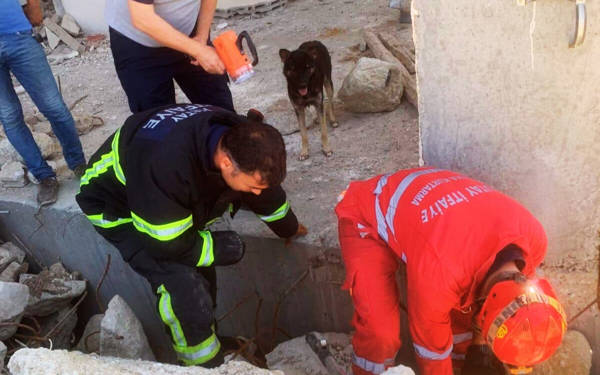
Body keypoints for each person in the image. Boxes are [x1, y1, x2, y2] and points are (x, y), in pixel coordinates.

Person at [76, 104, 307, 366]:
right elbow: (167, 244)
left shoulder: (239, 138)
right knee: (182, 284)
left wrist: (288, 227)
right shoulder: (166, 166)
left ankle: (210, 338)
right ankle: (201, 365)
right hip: (118, 207)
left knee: (203, 274)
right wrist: (217, 248)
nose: (255, 193)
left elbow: (264, 188)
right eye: (251, 186)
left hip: (161, 199)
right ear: (226, 162)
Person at [335, 167, 567, 375]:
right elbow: (432, 354)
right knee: (381, 333)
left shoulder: (534, 239)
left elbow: (510, 306)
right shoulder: (440, 274)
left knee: (461, 317)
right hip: (368, 213)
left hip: (432, 199)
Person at [0, 0, 86, 205]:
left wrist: (33, 9)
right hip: (18, 36)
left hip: (17, 36)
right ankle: (44, 176)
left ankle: (79, 165)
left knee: (53, 107)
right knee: (9, 116)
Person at [104, 0, 233, 113]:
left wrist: (202, 36)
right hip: (137, 42)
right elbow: (142, 19)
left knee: (221, 110)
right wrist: (199, 51)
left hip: (189, 32)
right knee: (158, 122)